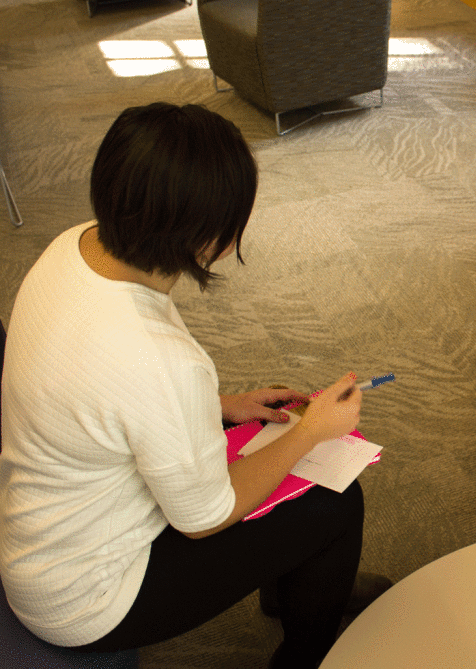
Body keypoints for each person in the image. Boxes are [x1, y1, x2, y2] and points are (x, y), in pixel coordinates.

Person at [0, 102, 387, 669]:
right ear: (211, 237)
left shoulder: (74, 245)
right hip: (88, 599)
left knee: (274, 465)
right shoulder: (162, 361)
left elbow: (102, 390)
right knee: (336, 501)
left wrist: (223, 406)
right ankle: (307, 652)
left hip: (42, 541)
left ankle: (298, 582)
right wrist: (312, 432)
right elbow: (206, 517)